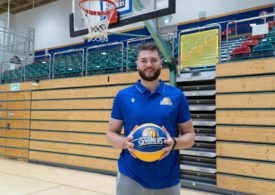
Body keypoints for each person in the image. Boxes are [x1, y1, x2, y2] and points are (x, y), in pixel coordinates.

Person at [106, 44, 195, 195]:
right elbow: (110, 134)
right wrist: (125, 143)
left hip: (168, 178)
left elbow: (190, 136)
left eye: (153, 60)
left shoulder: (177, 96)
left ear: (161, 63)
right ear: (137, 64)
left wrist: (174, 143)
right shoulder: (123, 96)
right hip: (130, 176)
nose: (149, 65)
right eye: (144, 60)